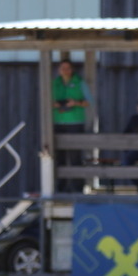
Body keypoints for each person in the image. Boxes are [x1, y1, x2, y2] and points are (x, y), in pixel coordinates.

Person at [52, 60, 91, 191]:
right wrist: (57, 104)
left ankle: (78, 188)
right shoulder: (54, 83)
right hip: (58, 122)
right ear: (59, 70)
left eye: (68, 68)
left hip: (75, 122)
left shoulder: (80, 82)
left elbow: (88, 102)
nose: (65, 71)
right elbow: (47, 100)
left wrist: (75, 103)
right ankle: (60, 188)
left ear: (72, 69)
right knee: (59, 157)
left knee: (75, 157)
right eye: (62, 68)